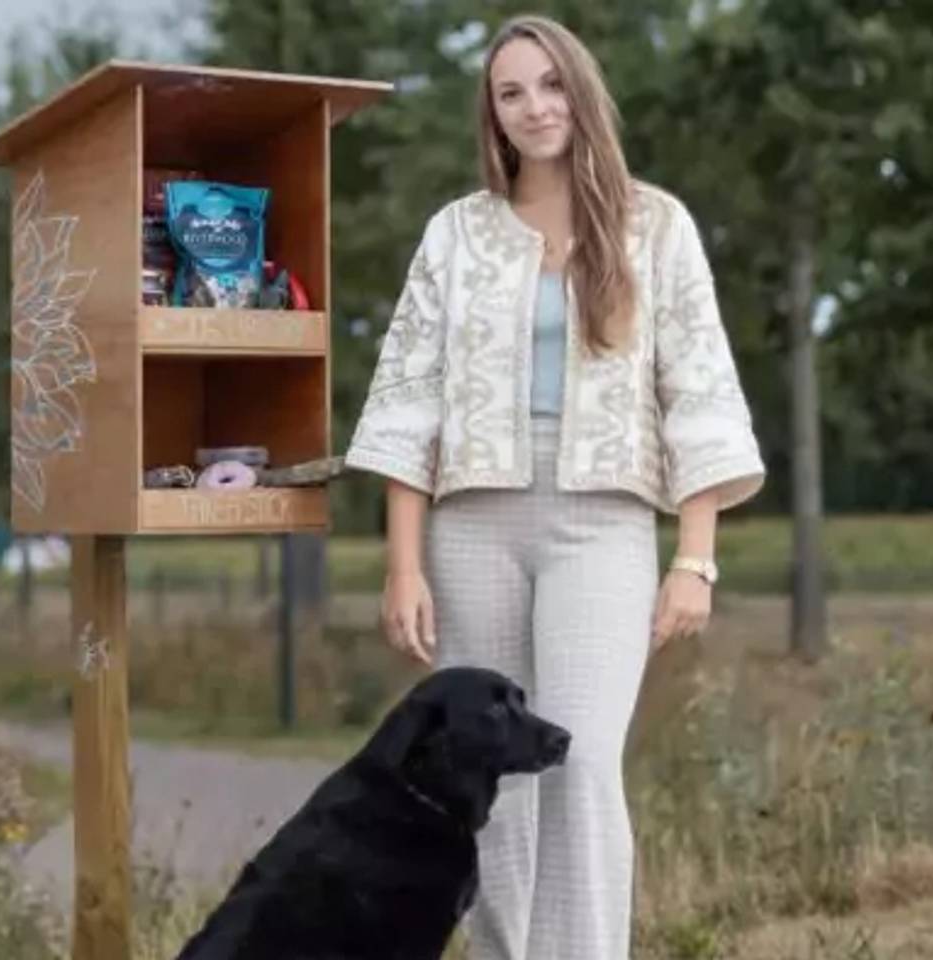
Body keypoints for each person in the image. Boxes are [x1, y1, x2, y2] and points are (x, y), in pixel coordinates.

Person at [343, 13, 765, 960]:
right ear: (491, 115)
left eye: (551, 85)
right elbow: (412, 401)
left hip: (602, 526)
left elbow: (697, 389)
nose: (536, 107)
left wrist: (696, 559)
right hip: (472, 528)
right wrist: (403, 566)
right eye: (511, 92)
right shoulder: (456, 235)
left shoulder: (655, 225)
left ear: (582, 91)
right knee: (486, 774)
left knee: (581, 767)